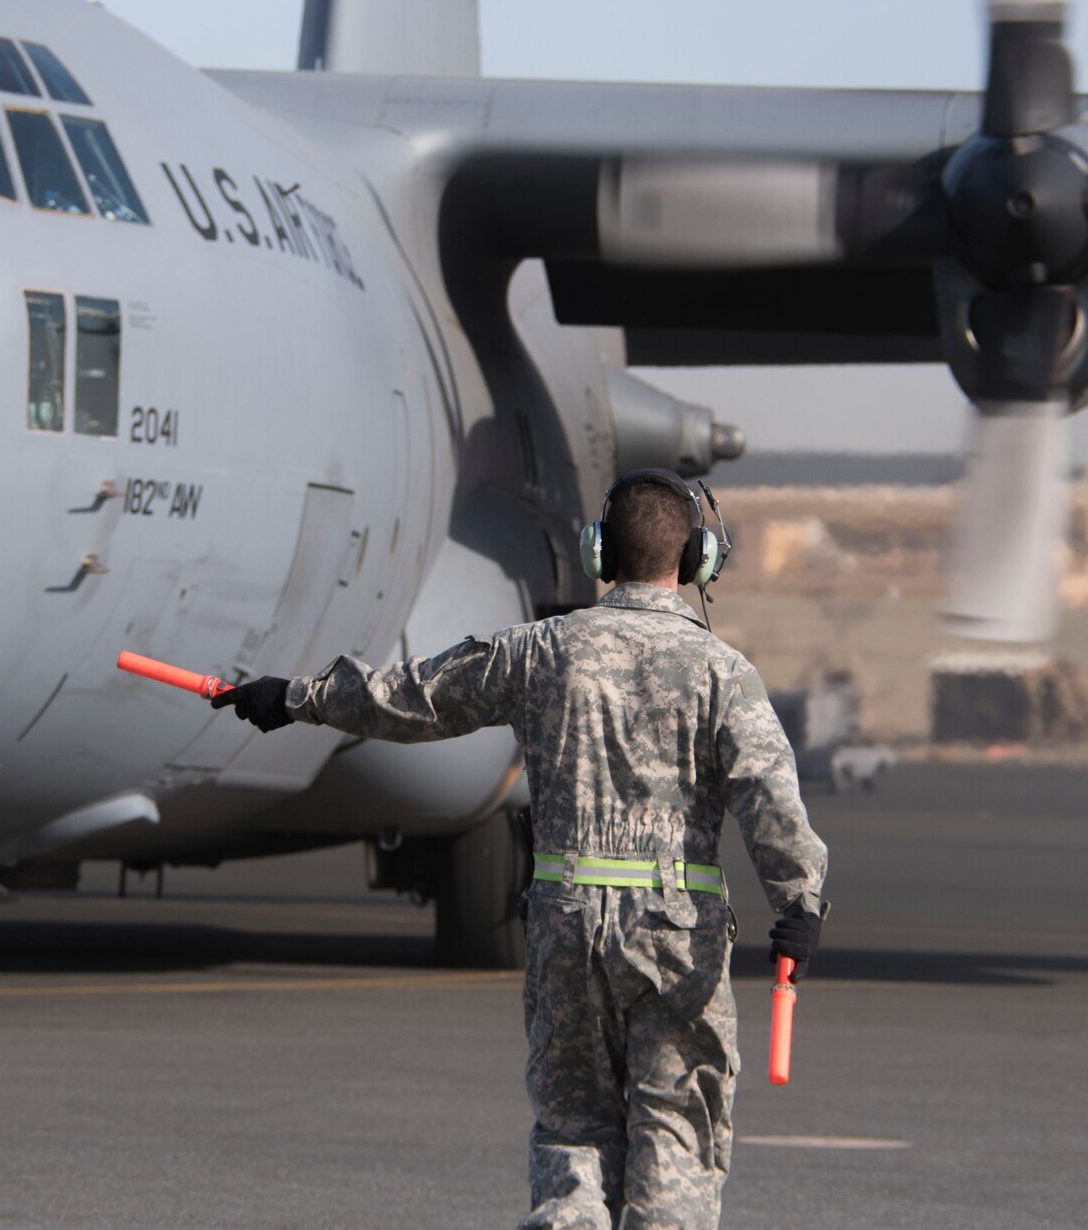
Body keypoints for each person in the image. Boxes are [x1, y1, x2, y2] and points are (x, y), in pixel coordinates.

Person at [213, 469, 829, 1229]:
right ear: (697, 558)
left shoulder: (540, 651)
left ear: (600, 552)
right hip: (675, 935)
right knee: (674, 1133)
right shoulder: (721, 673)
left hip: (565, 922)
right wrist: (797, 901)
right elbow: (770, 795)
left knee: (572, 1133)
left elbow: (413, 696)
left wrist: (293, 698)